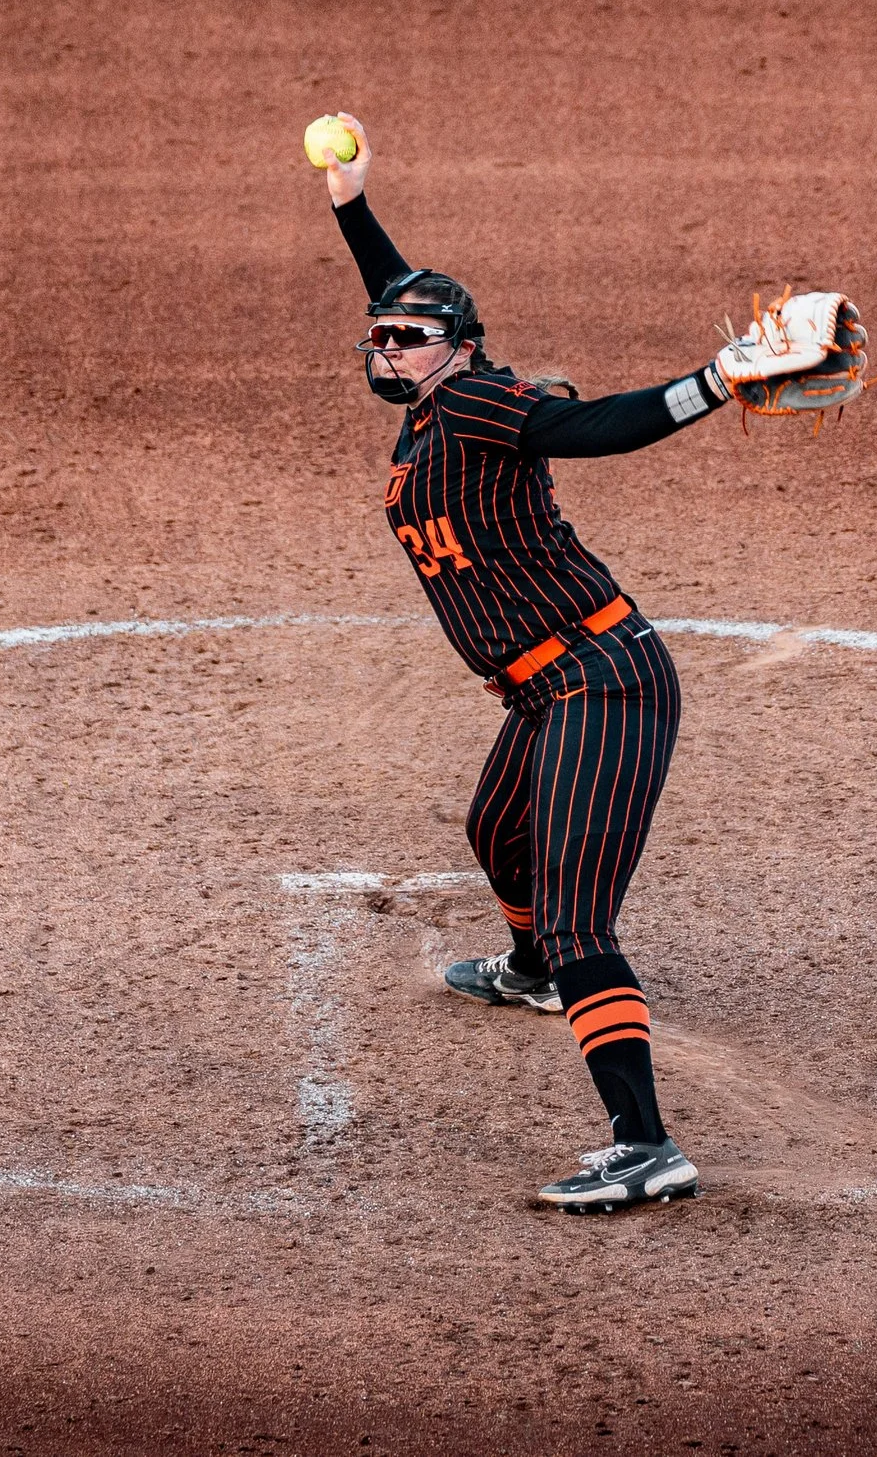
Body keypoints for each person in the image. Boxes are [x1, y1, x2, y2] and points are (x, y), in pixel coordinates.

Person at [313, 112, 819, 1213]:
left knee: (583, 916)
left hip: (604, 680)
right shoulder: (441, 383)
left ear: (455, 347)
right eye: (378, 338)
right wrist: (353, 205)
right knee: (495, 834)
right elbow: (404, 288)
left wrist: (720, 377)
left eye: (404, 339)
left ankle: (645, 1146)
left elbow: (601, 429)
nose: (384, 349)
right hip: (546, 690)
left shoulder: (485, 400)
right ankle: (532, 971)